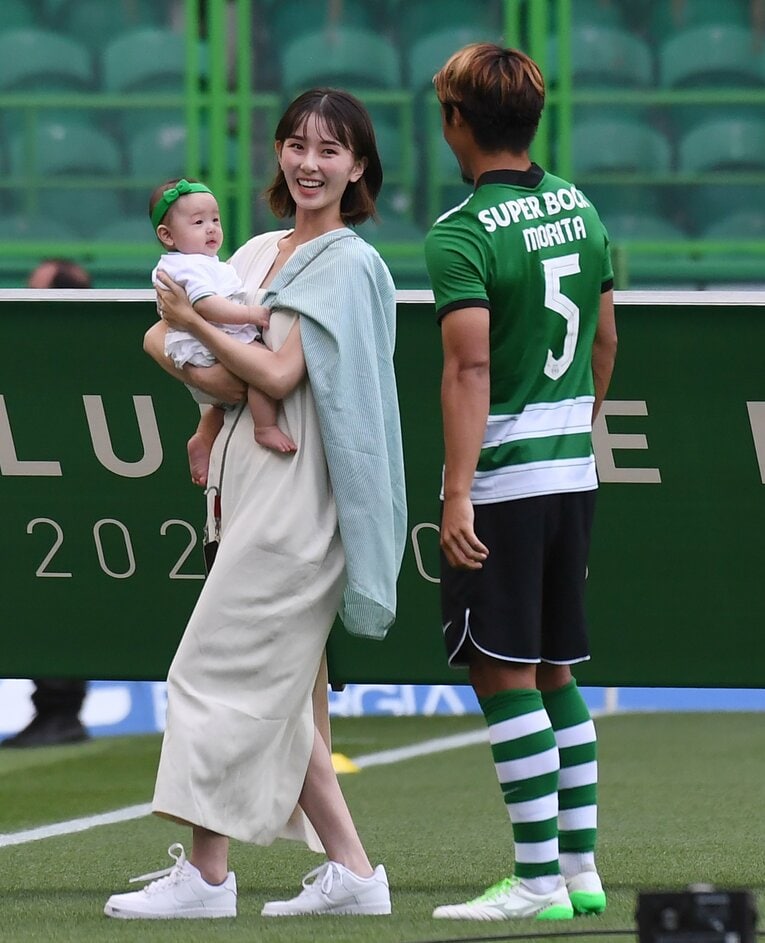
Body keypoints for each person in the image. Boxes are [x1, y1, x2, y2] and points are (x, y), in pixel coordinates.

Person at [104, 87, 406, 920]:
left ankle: (206, 877)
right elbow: (173, 343)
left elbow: (271, 375)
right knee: (276, 692)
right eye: (296, 144)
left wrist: (189, 338)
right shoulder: (256, 249)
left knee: (212, 671)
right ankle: (353, 873)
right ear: (278, 152)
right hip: (245, 487)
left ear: (358, 167)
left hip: (301, 496)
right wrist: (199, 360)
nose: (309, 163)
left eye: (330, 150)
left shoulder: (347, 262)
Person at [423, 44, 617, 922]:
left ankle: (535, 878)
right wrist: (575, 427)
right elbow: (607, 337)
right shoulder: (577, 205)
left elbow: (467, 370)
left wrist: (456, 489)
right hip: (571, 468)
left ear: (455, 121)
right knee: (553, 669)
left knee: (501, 671)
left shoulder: (460, 231)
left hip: (504, 479)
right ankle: (578, 873)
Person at [150, 176, 297, 488]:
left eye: (215, 219)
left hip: (203, 341)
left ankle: (204, 437)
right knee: (259, 368)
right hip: (209, 342)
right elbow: (206, 307)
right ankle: (265, 426)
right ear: (167, 235)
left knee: (222, 402)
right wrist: (249, 314)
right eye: (199, 222)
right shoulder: (190, 267)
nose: (211, 228)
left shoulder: (202, 262)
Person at [1, 258, 93, 749]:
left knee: (62, 591)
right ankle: (53, 708)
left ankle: (62, 708)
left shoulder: (74, 357)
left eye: (34, 289)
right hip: (34, 493)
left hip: (71, 499)